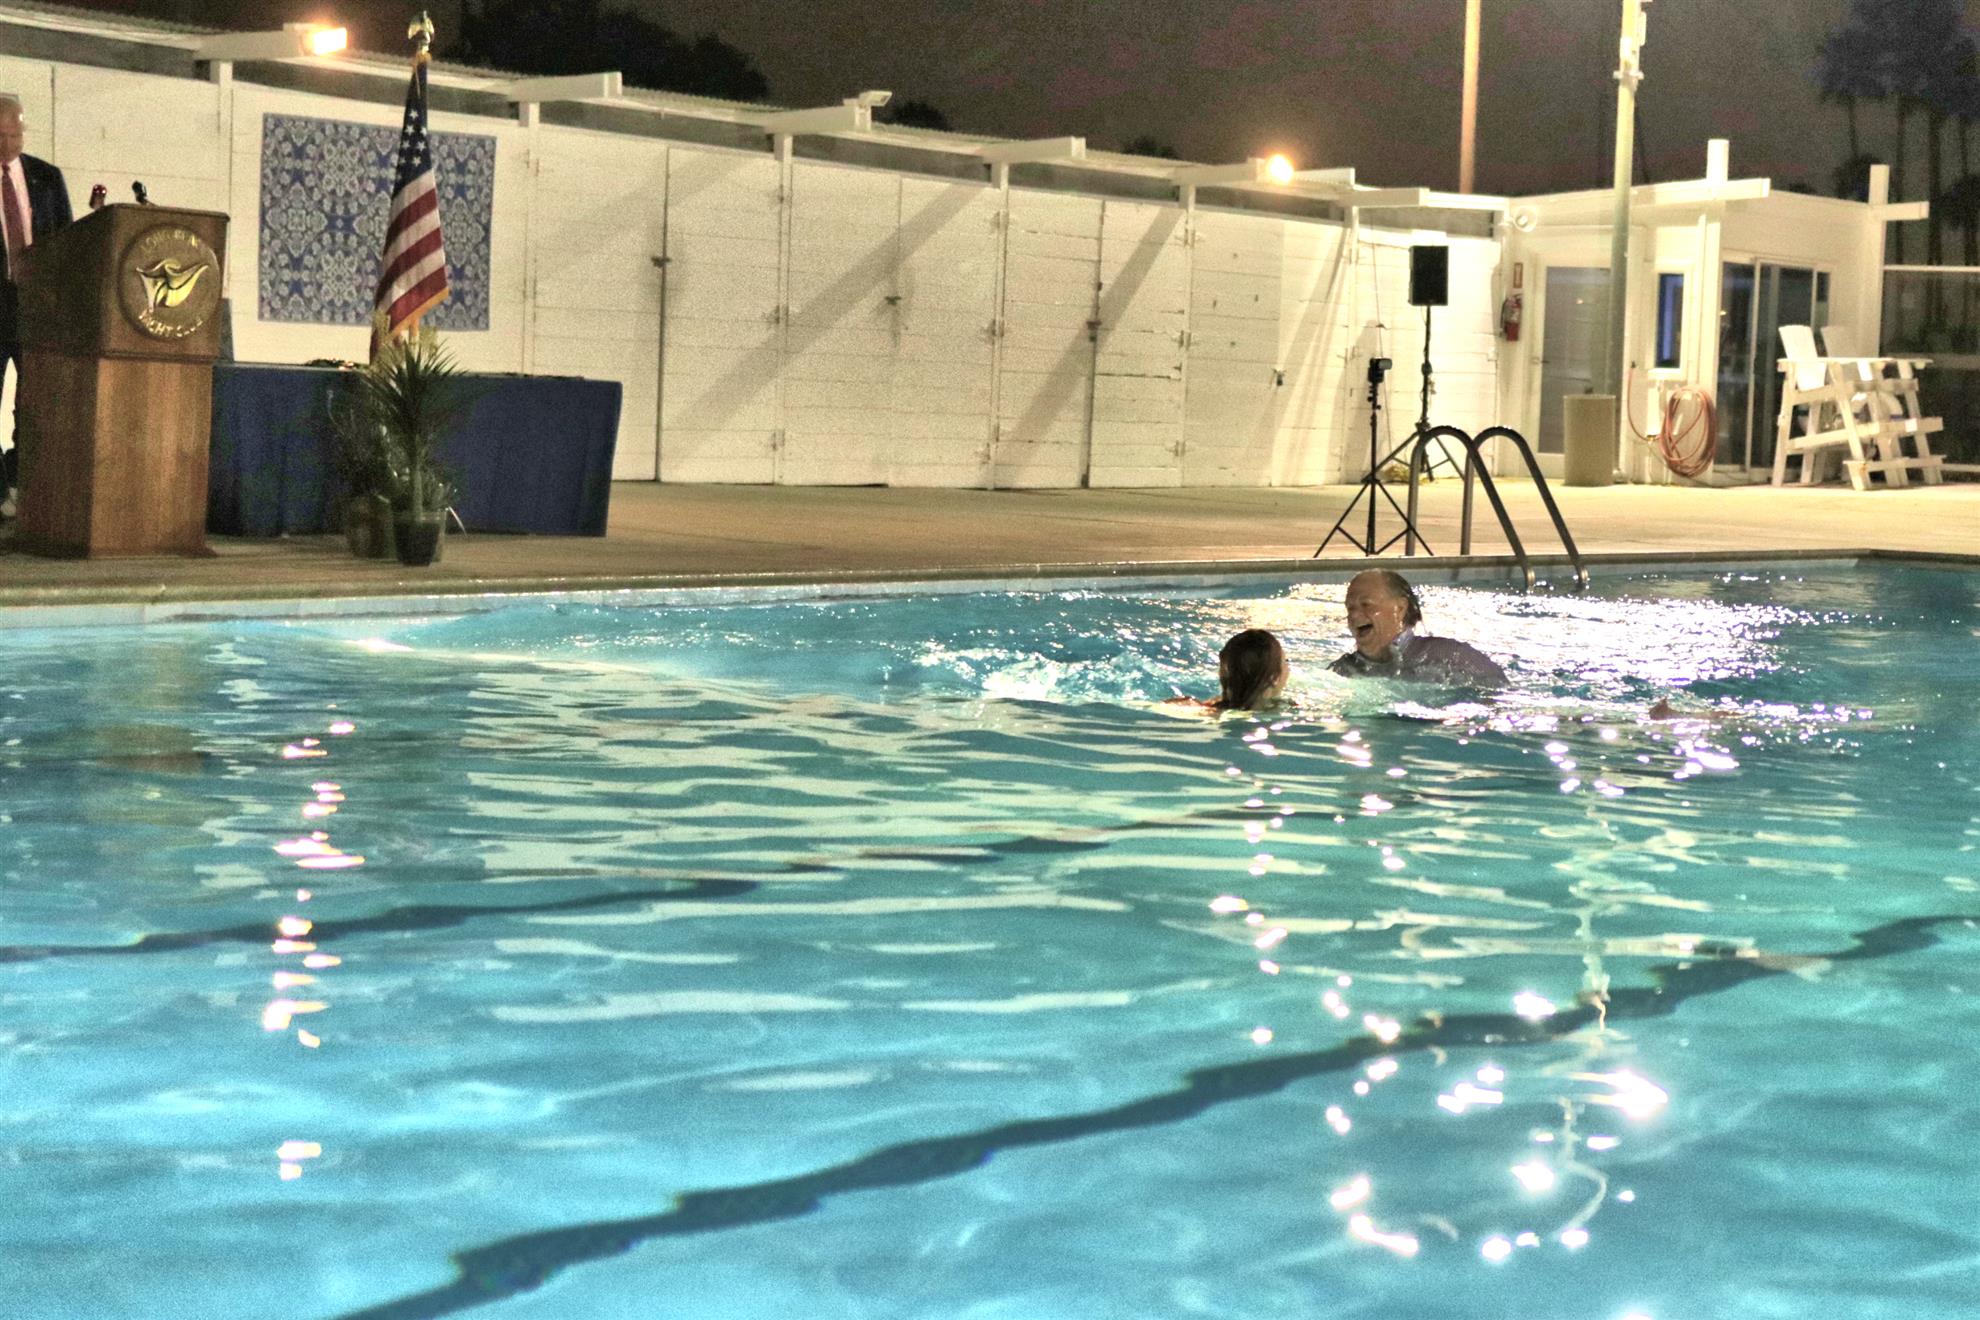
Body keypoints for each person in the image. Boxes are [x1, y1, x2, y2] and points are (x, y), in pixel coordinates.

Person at [0, 94, 73, 519]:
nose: (9, 144)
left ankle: (29, 485)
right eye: (0, 136)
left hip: (36, 306)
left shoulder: (46, 177)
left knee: (37, 402)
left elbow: (66, 239)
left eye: (15, 135)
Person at [1330, 569, 1506, 686]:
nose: (1354, 616)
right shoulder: (1344, 670)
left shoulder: (1448, 656)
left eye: (1366, 604)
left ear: (1399, 609)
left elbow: (1499, 694)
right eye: (1350, 608)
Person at [1170, 628, 1290, 712]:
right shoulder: (1286, 711)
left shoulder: (1194, 709)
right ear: (1274, 678)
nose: (1288, 668)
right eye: (1286, 662)